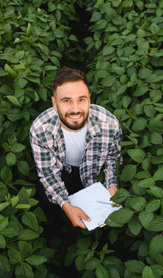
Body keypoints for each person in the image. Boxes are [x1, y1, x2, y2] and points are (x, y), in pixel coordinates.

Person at [30, 66, 123, 230]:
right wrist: (66, 205)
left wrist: (112, 185)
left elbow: (112, 157)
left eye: (81, 99)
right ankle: (54, 230)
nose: (75, 109)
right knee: (46, 200)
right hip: (60, 170)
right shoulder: (40, 129)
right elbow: (48, 173)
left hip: (94, 170)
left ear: (89, 98)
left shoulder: (109, 123)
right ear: (54, 103)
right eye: (66, 101)